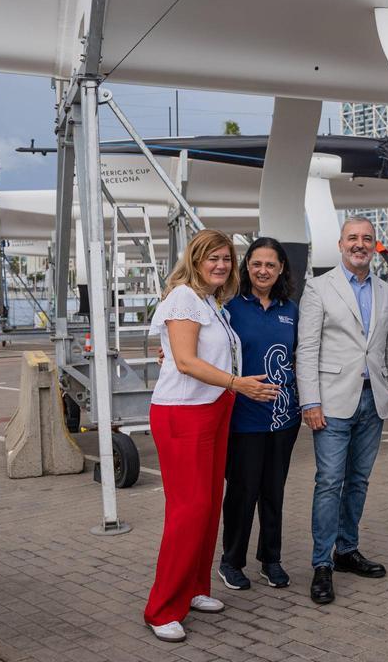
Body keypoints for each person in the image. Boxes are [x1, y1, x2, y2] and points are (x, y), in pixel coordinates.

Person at [143, 229, 281, 643]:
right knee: (189, 509)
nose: (221, 265)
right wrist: (238, 383)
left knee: (207, 507)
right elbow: (184, 362)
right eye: (212, 258)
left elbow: (184, 352)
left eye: (226, 258)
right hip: (183, 413)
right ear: (196, 259)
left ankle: (194, 589)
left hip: (213, 409)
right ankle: (162, 607)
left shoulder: (209, 301)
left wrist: (229, 389)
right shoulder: (184, 296)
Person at [297, 216, 388, 605]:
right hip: (331, 401)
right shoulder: (318, 288)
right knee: (329, 481)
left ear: (374, 244)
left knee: (358, 481)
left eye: (367, 238)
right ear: (341, 243)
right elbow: (307, 350)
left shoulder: (386, 291)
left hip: (372, 399)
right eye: (353, 238)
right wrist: (310, 401)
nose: (359, 244)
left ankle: (346, 551)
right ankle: (321, 564)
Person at [218, 238, 301, 592]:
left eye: (270, 264)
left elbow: (304, 354)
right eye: (256, 264)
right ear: (246, 267)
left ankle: (271, 559)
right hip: (243, 417)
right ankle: (231, 561)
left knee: (273, 491)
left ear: (281, 268)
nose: (263, 270)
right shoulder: (229, 307)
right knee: (242, 491)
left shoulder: (292, 309)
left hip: (284, 418)